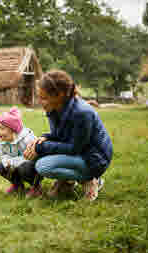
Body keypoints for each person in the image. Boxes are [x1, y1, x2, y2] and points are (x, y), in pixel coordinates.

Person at [24, 70, 113, 201]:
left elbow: (74, 148)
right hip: (78, 153)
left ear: (59, 95)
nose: (40, 102)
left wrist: (41, 147)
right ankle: (66, 182)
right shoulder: (54, 109)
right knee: (35, 150)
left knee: (43, 166)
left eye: (43, 98)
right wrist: (45, 138)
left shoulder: (82, 113)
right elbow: (60, 135)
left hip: (94, 159)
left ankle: (90, 179)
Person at [0, 107, 43, 198]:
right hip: (15, 164)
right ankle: (18, 186)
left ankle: (36, 186)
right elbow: (1, 154)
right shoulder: (2, 140)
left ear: (13, 130)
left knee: (24, 168)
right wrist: (6, 162)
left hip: (32, 165)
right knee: (1, 167)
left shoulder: (27, 139)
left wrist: (13, 162)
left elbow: (31, 157)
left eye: (2, 128)